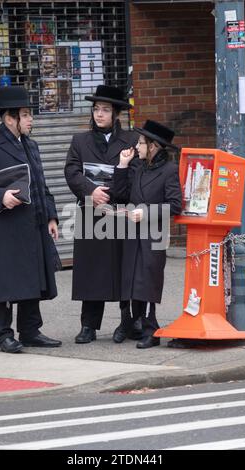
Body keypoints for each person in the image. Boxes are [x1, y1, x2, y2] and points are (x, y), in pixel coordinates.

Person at [0, 85, 62, 353]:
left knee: (33, 276)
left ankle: (30, 330)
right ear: (10, 118)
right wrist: (0, 196)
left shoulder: (31, 145)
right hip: (4, 226)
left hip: (32, 222)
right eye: (25, 114)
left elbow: (42, 185)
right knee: (6, 281)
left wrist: (51, 216)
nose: (30, 120)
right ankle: (3, 334)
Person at [65, 85, 141, 344]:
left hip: (120, 212)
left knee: (123, 267)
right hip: (91, 212)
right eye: (96, 109)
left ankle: (127, 321)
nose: (99, 115)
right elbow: (72, 172)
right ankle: (89, 325)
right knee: (90, 270)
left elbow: (136, 175)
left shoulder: (131, 141)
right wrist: (91, 191)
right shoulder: (80, 141)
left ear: (116, 114)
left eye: (105, 110)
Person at [113, 120, 182, 348]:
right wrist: (122, 165)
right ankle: (139, 324)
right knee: (133, 280)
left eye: (141, 143)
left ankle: (152, 330)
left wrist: (146, 213)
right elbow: (121, 194)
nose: (137, 147)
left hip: (154, 234)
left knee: (149, 281)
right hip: (133, 233)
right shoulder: (139, 167)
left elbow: (175, 205)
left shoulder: (170, 171)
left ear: (152, 146)